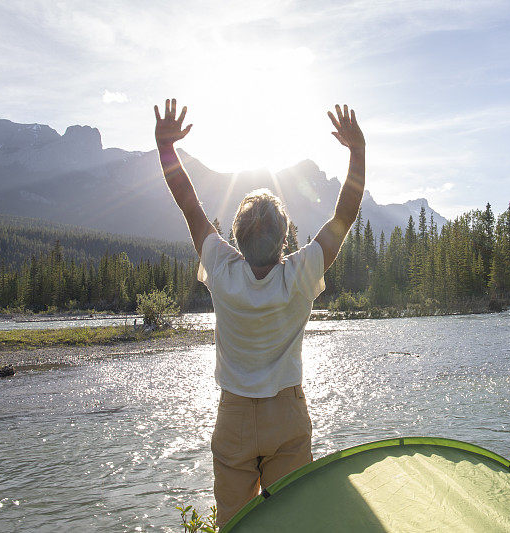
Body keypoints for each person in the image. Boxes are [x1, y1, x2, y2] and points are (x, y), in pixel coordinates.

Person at [154, 99, 365, 526]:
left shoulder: (222, 268)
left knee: (233, 525)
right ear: (286, 238)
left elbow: (189, 205)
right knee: (291, 523)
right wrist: (357, 150)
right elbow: (346, 212)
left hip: (233, 416)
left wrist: (166, 147)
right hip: (286, 414)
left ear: (235, 238)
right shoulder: (300, 274)